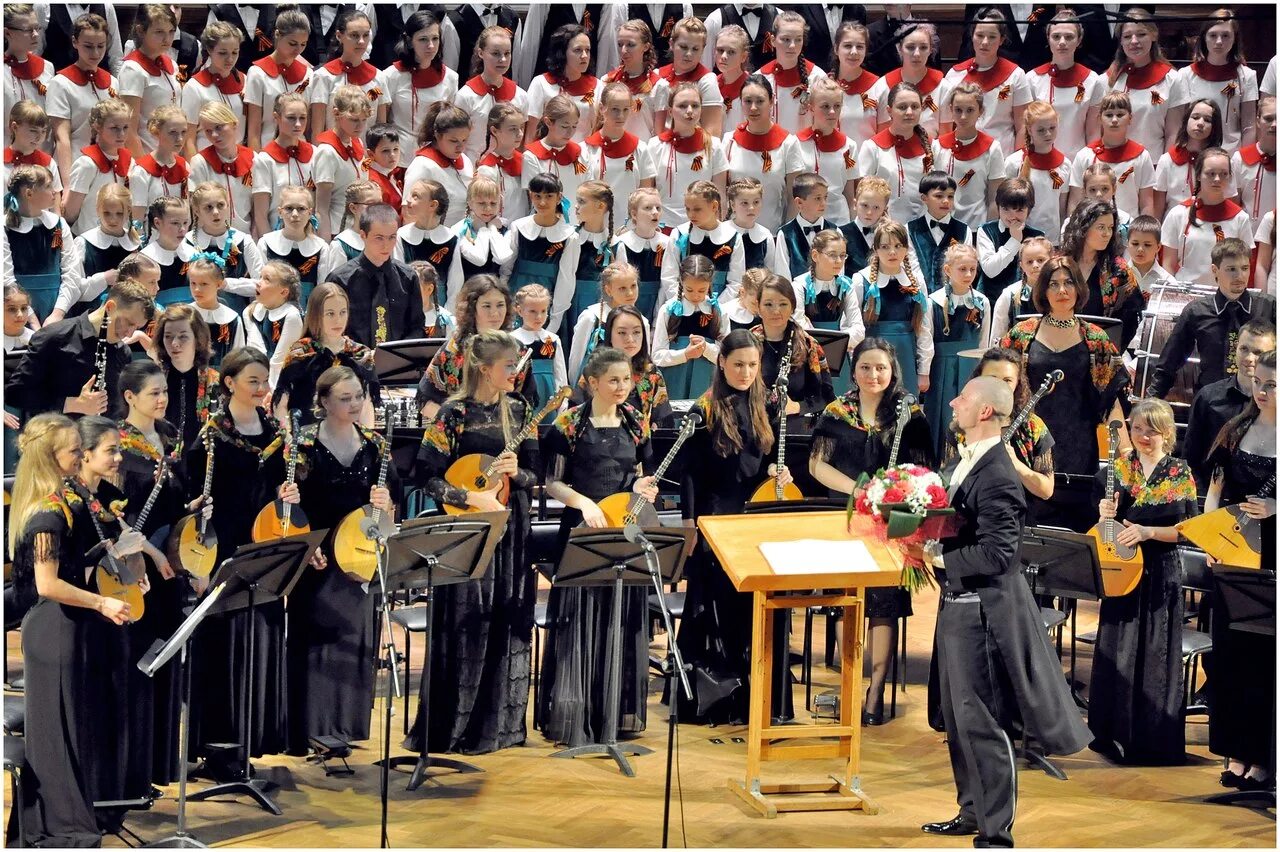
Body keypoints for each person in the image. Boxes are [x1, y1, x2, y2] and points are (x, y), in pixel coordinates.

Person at [921, 375, 1091, 848]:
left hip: (983, 612)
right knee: (957, 718)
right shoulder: (966, 461)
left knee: (983, 721)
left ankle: (997, 833)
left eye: (963, 397)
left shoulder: (997, 474)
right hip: (958, 603)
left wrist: (934, 558)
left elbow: (999, 554)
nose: (952, 401)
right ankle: (971, 811)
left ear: (983, 413)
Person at [8, 413, 143, 846]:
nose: (78, 456)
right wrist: (101, 601)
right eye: (72, 451)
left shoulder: (66, 499)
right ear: (53, 457)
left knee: (71, 730)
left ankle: (69, 821)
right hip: (52, 630)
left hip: (67, 627)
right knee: (56, 736)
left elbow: (72, 564)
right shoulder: (47, 513)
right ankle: (62, 829)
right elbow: (47, 585)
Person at [409, 330, 539, 755]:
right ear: (485, 369)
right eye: (508, 365)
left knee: (505, 617)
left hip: (510, 527)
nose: (516, 371)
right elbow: (425, 478)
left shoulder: (520, 410)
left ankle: (499, 727)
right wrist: (470, 497)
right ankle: (455, 727)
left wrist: (518, 472)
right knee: (468, 621)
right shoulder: (452, 413)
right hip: (468, 528)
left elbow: (536, 478)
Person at [809, 336, 932, 724]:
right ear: (853, 370)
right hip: (844, 516)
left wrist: (892, 497)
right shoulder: (837, 410)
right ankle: (846, 683)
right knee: (848, 601)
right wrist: (860, 491)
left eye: (881, 368)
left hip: (890, 523)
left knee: (883, 606)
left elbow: (922, 469)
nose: (873, 374)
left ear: (892, 370)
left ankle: (875, 691)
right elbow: (817, 464)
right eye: (865, 367)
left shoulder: (909, 412)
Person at [538, 346, 657, 746]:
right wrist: (584, 502)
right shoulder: (569, 424)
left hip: (623, 530)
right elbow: (551, 482)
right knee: (580, 619)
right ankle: (578, 715)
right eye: (613, 380)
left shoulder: (637, 421)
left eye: (626, 379)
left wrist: (642, 487)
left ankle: (613, 714)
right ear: (592, 383)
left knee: (620, 618)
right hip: (583, 530)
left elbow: (641, 474)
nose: (622, 387)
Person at [673, 329, 793, 725]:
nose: (744, 372)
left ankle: (757, 699)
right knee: (715, 608)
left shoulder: (767, 401)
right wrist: (691, 524)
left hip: (755, 519)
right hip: (716, 519)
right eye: (737, 364)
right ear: (721, 363)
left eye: (752, 365)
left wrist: (778, 469)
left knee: (751, 608)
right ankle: (716, 702)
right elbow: (688, 474)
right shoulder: (703, 408)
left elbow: (770, 456)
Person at [184, 346, 290, 762]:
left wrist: (286, 491)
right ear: (229, 383)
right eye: (254, 382)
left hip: (263, 545)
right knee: (222, 644)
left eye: (265, 381)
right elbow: (193, 500)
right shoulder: (211, 434)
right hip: (223, 548)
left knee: (260, 636)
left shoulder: (270, 428)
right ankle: (218, 746)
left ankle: (252, 740)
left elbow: (279, 480)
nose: (263, 389)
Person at [286, 365, 395, 756]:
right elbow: (286, 505)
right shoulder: (303, 446)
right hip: (317, 557)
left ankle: (345, 727)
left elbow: (390, 509)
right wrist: (304, 544)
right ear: (324, 402)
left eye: (358, 396)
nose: (354, 404)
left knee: (354, 638)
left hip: (359, 555)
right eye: (345, 398)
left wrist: (386, 506)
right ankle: (311, 728)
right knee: (316, 641)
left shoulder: (375, 446)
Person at [1088, 398, 1195, 766]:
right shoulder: (1119, 468)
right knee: (1118, 648)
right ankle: (1112, 733)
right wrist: (1106, 515)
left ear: (1167, 432)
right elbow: (1104, 529)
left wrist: (1150, 531)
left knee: (1154, 652)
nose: (1142, 436)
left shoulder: (1179, 473)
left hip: (1162, 572)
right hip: (1124, 570)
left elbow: (1189, 532)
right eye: (1136, 429)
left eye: (1150, 430)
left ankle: (1151, 740)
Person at [1001, 253, 1131, 531]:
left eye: (1068, 283)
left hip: (1078, 449)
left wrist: (1127, 451)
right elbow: (998, 389)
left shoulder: (1096, 338)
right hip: (1028, 445)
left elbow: (1111, 400)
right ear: (1043, 290)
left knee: (1073, 531)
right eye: (1054, 284)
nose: (1062, 290)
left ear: (1079, 288)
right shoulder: (1021, 334)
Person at [1203, 349, 1276, 792]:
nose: (1262, 391)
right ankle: (1235, 752)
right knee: (1230, 656)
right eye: (1259, 382)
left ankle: (1264, 756)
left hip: (1275, 557)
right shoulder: (1236, 429)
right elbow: (1214, 491)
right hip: (1234, 553)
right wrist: (1211, 540)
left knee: (1265, 660)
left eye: (1272, 384)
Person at [1147, 239, 1277, 399]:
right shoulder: (1197, 311)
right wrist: (1150, 403)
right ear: (1215, 270)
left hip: (1259, 403)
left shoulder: (1269, 307)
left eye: (1245, 268)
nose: (1240, 276)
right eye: (1231, 269)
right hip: (1212, 404)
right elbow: (1169, 363)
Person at [5, 279, 152, 419]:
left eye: (137, 328)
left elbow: (117, 408)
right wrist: (70, 404)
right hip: (55, 437)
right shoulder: (54, 337)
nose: (130, 333)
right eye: (129, 323)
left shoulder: (122, 351)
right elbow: (16, 393)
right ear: (110, 307)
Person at [1183, 319, 1276, 490]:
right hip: (1210, 501)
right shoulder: (1208, 397)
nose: (1249, 358)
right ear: (1236, 348)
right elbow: (1190, 458)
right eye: (1244, 349)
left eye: (1258, 352)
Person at [274, 282, 378, 429]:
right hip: (306, 439)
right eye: (330, 314)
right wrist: (290, 440)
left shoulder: (360, 354)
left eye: (343, 312)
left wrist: (368, 443)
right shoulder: (302, 351)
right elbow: (281, 403)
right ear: (316, 315)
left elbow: (366, 406)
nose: (338, 320)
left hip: (348, 438)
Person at [323, 202, 426, 348]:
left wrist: (396, 355)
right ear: (363, 235)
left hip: (397, 363)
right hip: (352, 363)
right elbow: (331, 329)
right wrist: (361, 356)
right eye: (379, 238)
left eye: (392, 237)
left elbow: (417, 326)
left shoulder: (408, 277)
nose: (386, 245)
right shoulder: (341, 280)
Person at [752, 273, 836, 414]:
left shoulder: (809, 345)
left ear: (792, 307)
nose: (776, 311)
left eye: (783, 304)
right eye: (768, 304)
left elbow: (826, 398)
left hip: (795, 428)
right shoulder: (746, 344)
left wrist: (797, 407)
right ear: (758, 307)